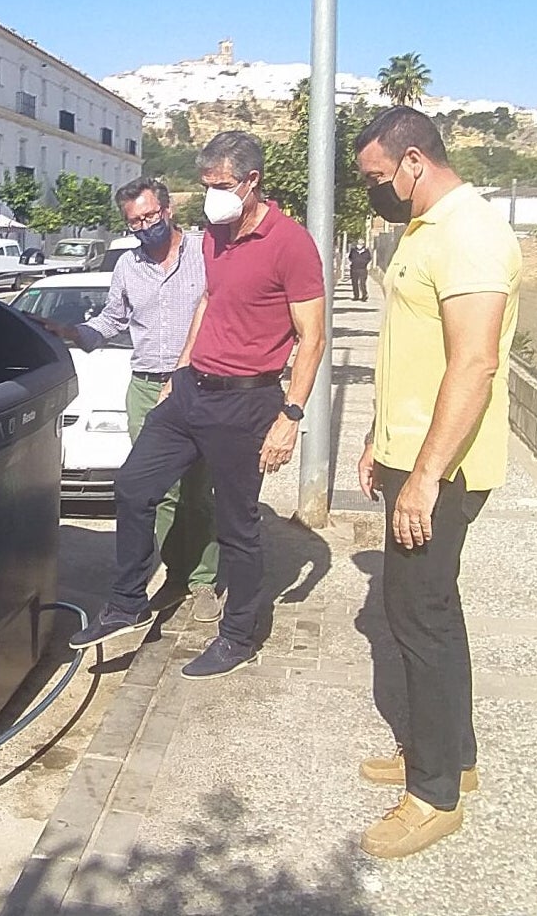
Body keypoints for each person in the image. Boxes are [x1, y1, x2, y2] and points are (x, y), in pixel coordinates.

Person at [67, 131, 327, 681]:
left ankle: (238, 635)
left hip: (248, 401)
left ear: (252, 181)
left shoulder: (292, 243)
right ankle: (127, 603)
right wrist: (181, 370)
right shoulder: (215, 236)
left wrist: (291, 416)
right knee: (133, 486)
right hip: (190, 390)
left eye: (222, 185)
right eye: (206, 184)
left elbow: (313, 337)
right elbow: (208, 300)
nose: (213, 196)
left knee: (236, 525)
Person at [350, 106, 521, 859]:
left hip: (442, 467)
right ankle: (450, 753)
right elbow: (412, 352)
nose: (374, 189)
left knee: (418, 617)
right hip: (412, 455)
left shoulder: (470, 233)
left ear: (414, 161)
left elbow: (474, 364)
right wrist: (378, 439)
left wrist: (424, 477)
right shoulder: (425, 229)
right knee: (430, 611)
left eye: (377, 176)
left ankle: (434, 795)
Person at [37, 178, 221, 621]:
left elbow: (223, 308)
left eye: (150, 216)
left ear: (168, 210)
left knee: (199, 489)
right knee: (157, 490)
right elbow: (112, 319)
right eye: (134, 221)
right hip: (145, 388)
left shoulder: (205, 252)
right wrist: (72, 332)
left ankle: (204, 581)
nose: (144, 226)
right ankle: (177, 575)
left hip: (200, 385)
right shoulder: (128, 266)